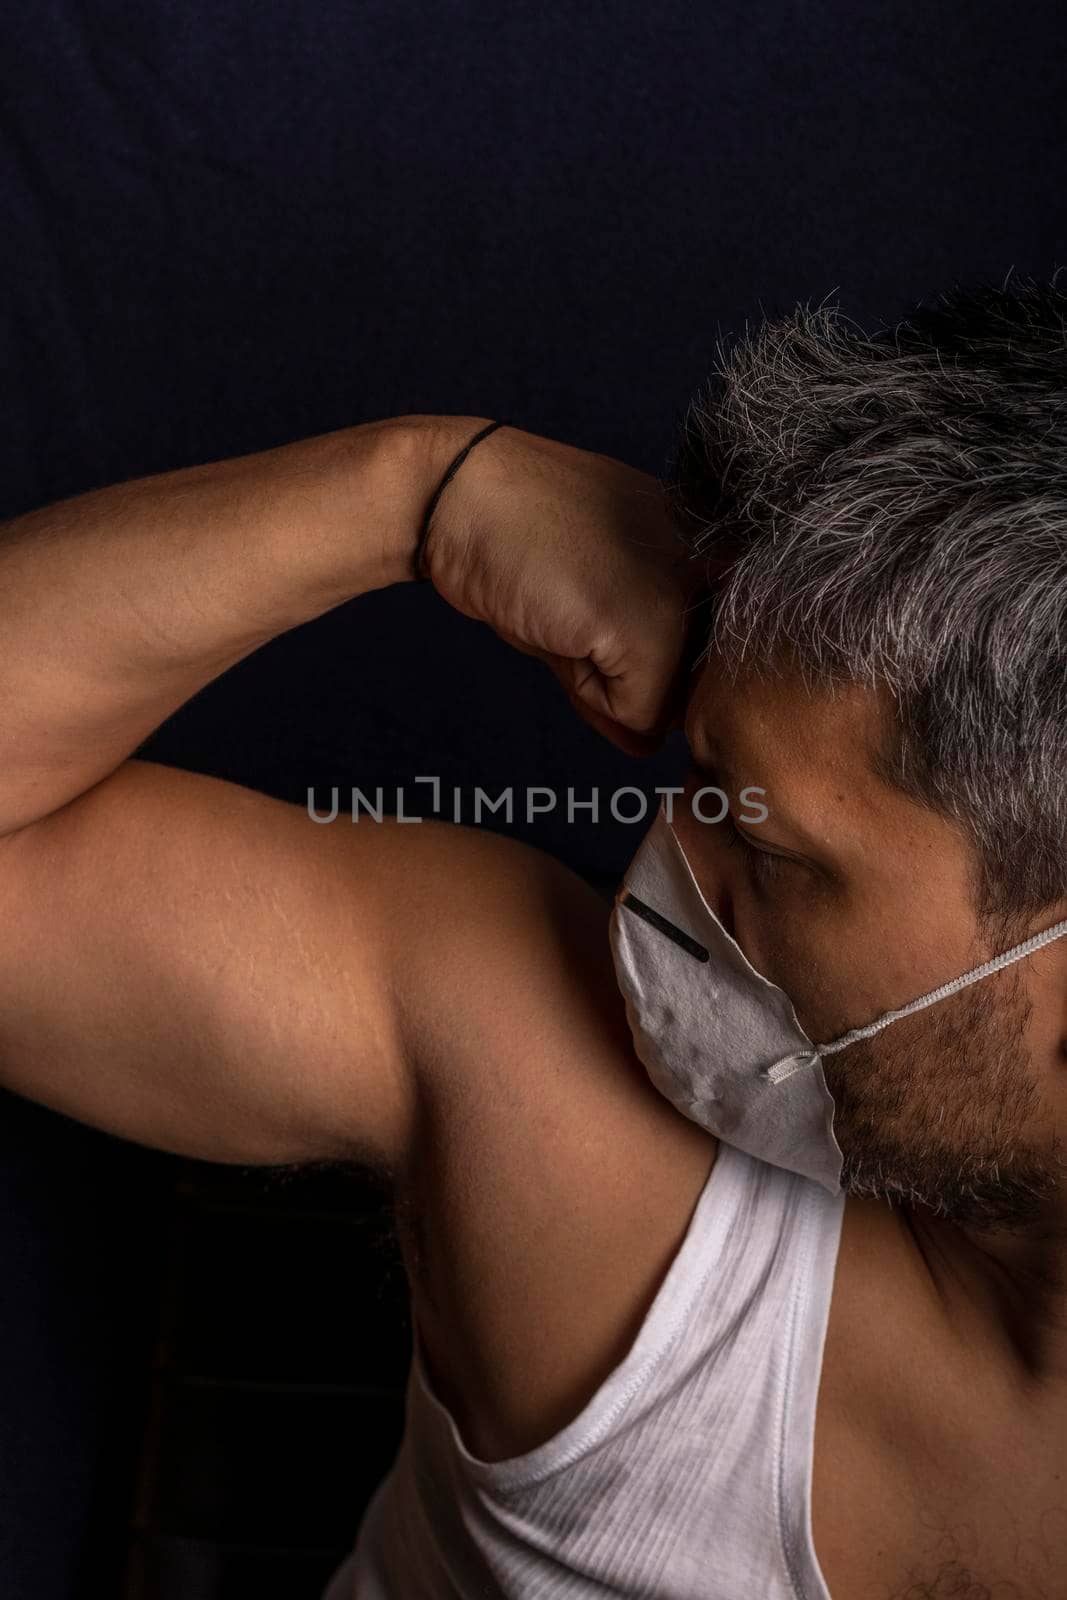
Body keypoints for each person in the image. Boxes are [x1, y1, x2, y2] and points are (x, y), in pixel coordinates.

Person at [0, 277, 1064, 1600]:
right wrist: (412, 494)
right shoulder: (557, 1114)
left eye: (777, 859)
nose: (669, 877)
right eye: (704, 789)